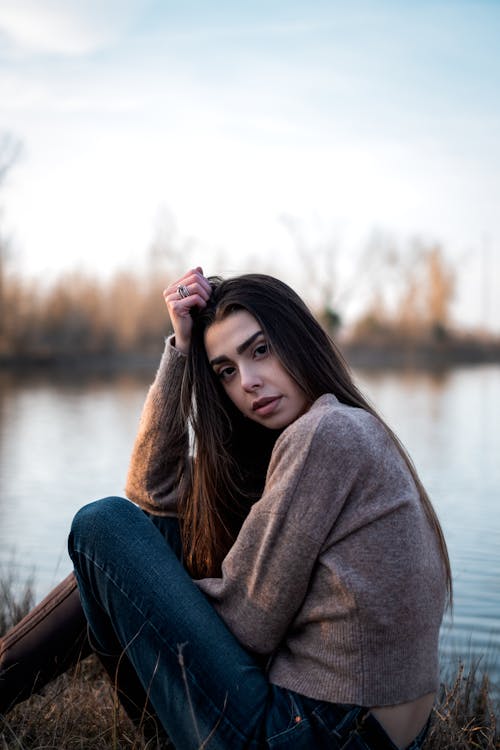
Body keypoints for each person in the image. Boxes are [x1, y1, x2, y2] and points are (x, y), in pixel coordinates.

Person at [0, 267, 451, 749]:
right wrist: (180, 349)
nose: (249, 383)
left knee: (103, 526)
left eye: (260, 350)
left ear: (299, 340)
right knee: (148, 534)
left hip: (318, 732)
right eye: (226, 371)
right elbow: (151, 492)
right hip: (357, 731)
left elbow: (250, 623)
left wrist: (144, 595)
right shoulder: (341, 430)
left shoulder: (326, 433)